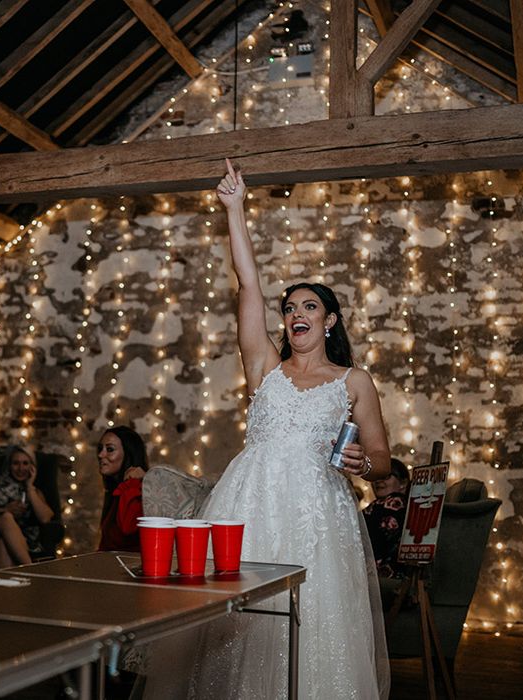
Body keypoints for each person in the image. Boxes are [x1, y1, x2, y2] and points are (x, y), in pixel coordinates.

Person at [144, 160, 391, 699]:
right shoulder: (263, 366)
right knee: (237, 622)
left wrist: (363, 466)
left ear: (329, 322)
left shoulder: (355, 382)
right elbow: (247, 280)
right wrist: (235, 209)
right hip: (248, 505)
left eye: (309, 306)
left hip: (317, 516)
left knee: (312, 624)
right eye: (289, 308)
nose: (295, 313)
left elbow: (382, 461)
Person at [97, 425, 148, 552]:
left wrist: (132, 483)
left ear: (128, 454)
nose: (100, 454)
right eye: (101, 449)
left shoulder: (136, 488)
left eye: (110, 449)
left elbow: (127, 528)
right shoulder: (116, 489)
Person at [363, 457, 411, 578]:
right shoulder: (409, 505)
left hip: (383, 574)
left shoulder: (395, 502)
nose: (378, 481)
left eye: (386, 476)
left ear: (403, 483)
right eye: (375, 477)